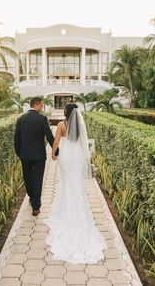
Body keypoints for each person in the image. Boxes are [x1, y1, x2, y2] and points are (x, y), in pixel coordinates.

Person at [44, 103, 107, 264]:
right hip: (78, 156)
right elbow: (84, 143)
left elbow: (56, 141)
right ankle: (78, 208)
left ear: (66, 112)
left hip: (66, 156)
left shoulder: (61, 125)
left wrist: (53, 153)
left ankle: (65, 210)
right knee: (76, 183)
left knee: (66, 182)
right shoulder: (80, 124)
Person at [14, 96, 57, 216]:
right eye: (42, 105)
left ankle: (32, 197)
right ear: (36, 105)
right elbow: (49, 136)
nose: (42, 107)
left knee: (27, 178)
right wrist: (56, 150)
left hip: (25, 155)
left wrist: (18, 152)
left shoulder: (21, 119)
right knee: (38, 179)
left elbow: (17, 138)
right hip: (39, 155)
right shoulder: (42, 119)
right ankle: (36, 206)